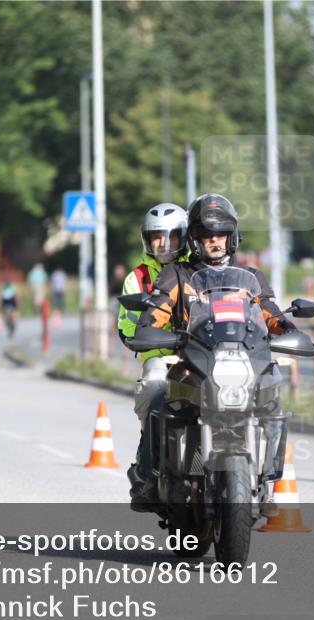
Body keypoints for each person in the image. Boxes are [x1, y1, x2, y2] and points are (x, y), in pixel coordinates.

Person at [130, 193, 298, 508]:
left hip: (241, 361)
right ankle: (151, 479)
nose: (214, 240)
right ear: (194, 239)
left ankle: (269, 482)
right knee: (155, 398)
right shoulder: (177, 275)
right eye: (206, 234)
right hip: (192, 363)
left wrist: (289, 331)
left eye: (221, 233)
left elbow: (269, 312)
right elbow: (154, 315)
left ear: (232, 237)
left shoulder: (251, 279)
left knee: (273, 401)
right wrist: (150, 332)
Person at [117, 202, 191, 503]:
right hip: (159, 355)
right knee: (154, 386)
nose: (163, 243)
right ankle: (147, 469)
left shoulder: (196, 271)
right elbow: (126, 323)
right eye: (156, 236)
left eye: (170, 236)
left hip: (199, 353)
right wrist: (138, 337)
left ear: (183, 237)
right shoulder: (138, 278)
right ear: (146, 239)